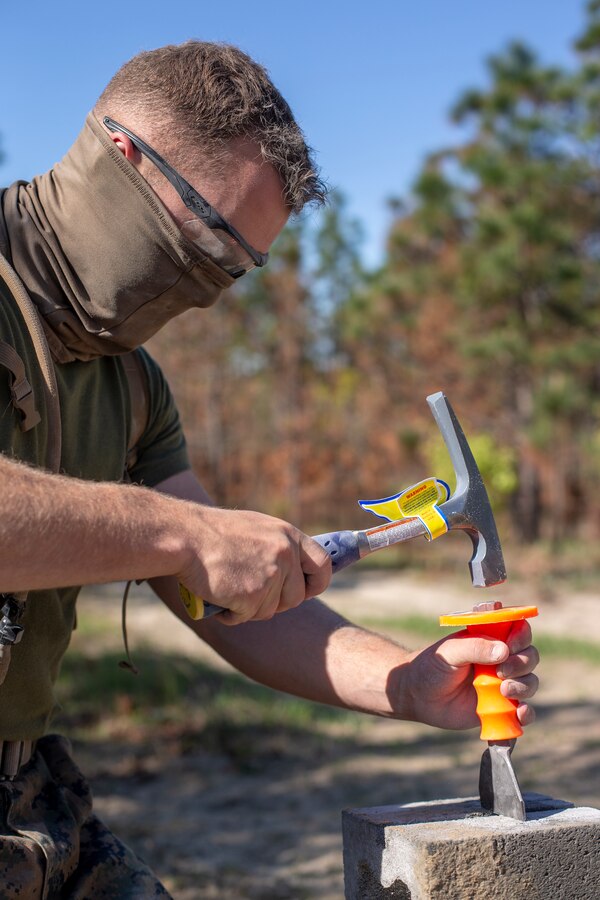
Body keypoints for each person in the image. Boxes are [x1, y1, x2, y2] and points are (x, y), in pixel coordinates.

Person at [0, 41, 539, 897]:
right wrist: (181, 531)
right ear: (121, 153)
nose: (210, 287)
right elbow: (181, 544)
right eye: (208, 240)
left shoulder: (132, 387)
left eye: (237, 270)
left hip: (25, 797)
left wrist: (401, 681)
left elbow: (221, 602)